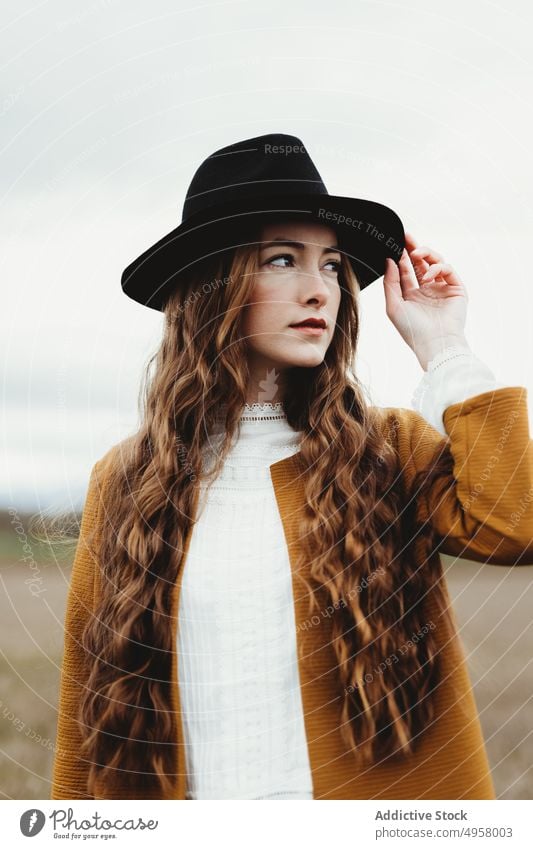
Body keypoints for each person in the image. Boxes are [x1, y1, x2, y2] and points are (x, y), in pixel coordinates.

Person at [51, 134, 533, 801]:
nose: (319, 289)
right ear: (214, 282)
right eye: (283, 260)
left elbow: (515, 526)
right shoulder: (128, 479)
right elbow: (90, 710)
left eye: (332, 266)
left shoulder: (388, 448)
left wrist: (444, 347)